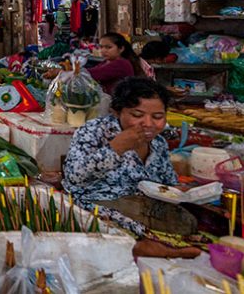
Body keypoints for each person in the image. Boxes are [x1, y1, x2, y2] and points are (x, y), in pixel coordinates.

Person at [63, 77, 201, 259]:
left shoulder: (158, 142)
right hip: (99, 201)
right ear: (117, 112)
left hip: (144, 203)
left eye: (158, 117)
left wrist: (180, 191)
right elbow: (74, 177)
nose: (149, 123)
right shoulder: (94, 131)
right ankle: (154, 248)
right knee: (118, 224)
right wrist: (116, 148)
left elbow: (168, 183)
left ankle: (150, 242)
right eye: (137, 115)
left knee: (188, 221)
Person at [45, 32, 142, 94]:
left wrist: (62, 72)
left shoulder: (121, 64)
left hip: (119, 104)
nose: (103, 51)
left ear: (121, 49)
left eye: (108, 47)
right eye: (101, 47)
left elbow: (92, 74)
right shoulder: (106, 62)